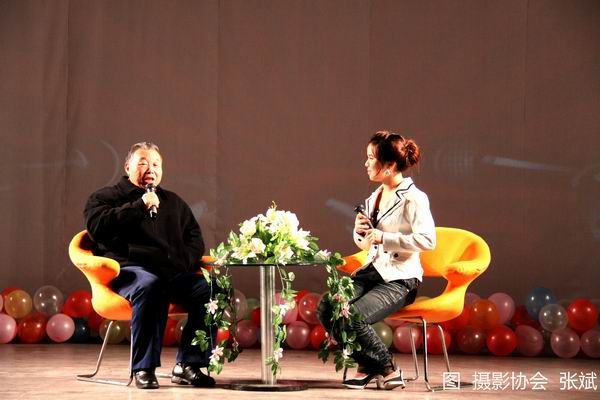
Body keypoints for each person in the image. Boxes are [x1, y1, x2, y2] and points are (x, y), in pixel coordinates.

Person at [84, 142, 216, 389]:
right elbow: (97, 227)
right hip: (130, 272)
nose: (150, 169)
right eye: (143, 162)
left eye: (156, 164)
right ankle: (143, 368)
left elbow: (194, 239)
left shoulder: (173, 202)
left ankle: (189, 364)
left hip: (171, 272)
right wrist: (140, 206)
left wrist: (181, 262)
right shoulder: (106, 197)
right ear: (127, 167)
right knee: (150, 285)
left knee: (211, 288)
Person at [318, 131, 436, 390]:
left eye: (371, 158)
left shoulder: (414, 198)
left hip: (400, 279)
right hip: (371, 272)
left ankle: (388, 368)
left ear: (389, 165)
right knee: (327, 307)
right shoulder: (374, 197)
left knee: (353, 317)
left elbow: (428, 240)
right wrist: (359, 232)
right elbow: (366, 244)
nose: (366, 163)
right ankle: (369, 365)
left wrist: (385, 238)